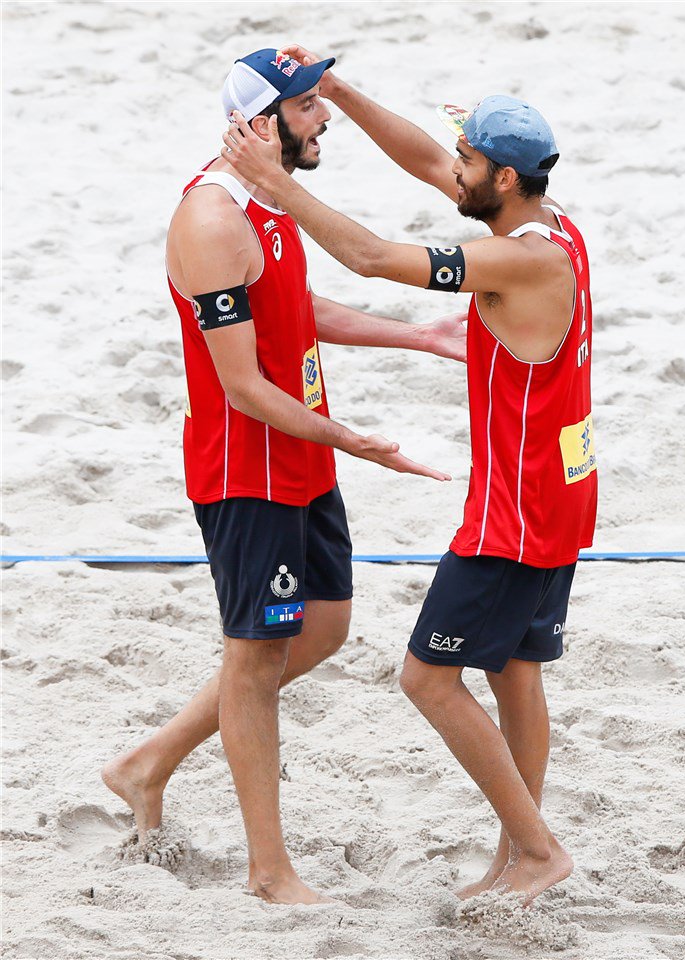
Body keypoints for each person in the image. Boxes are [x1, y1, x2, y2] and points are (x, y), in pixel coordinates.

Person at [221, 46, 597, 907]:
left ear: (502, 177)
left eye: (467, 163)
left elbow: (372, 258)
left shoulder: (517, 261)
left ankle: (537, 852)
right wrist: (341, 92)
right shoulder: (546, 220)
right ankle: (517, 862)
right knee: (517, 670)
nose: (448, 168)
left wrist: (275, 185)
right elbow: (431, 161)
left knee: (428, 676)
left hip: (518, 509)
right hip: (563, 492)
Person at [102, 48, 465, 907]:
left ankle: (146, 761)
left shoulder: (269, 201)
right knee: (256, 661)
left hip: (300, 457)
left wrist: (421, 336)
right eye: (307, 108)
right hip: (245, 472)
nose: (323, 119)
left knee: (326, 628)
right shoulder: (211, 222)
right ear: (260, 124)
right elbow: (242, 386)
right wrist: (358, 441)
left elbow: (303, 313)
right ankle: (270, 873)